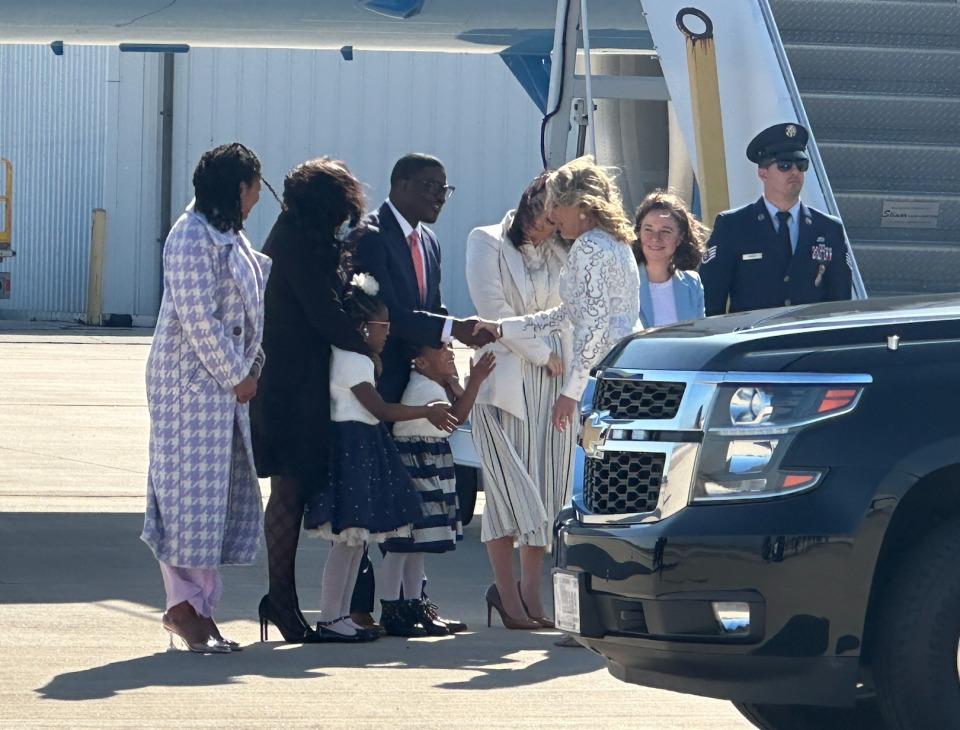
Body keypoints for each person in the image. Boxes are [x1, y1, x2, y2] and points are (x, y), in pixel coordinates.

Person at [474, 156, 642, 628]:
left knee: (583, 506)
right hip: (616, 379)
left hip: (592, 388)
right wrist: (507, 325)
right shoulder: (615, 243)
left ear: (577, 205)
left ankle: (584, 618)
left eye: (556, 207)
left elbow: (587, 332)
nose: (553, 217)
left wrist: (571, 391)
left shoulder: (588, 246)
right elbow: (567, 315)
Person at [348, 152, 496, 630]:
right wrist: (453, 327)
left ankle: (413, 603)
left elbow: (428, 307)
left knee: (419, 512)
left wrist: (451, 346)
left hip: (423, 392)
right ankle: (371, 608)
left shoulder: (428, 241)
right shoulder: (369, 235)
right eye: (431, 186)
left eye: (445, 189)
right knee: (389, 511)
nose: (439, 197)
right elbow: (386, 307)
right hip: (382, 388)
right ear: (400, 184)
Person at [142, 143, 273, 653]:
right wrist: (237, 372)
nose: (259, 197)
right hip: (190, 390)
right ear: (238, 188)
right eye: (256, 188)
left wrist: (251, 365)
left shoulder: (225, 234)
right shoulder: (190, 235)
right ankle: (182, 607)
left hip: (221, 391)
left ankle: (200, 606)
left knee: (212, 499)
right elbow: (198, 317)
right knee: (185, 500)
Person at [250, 157, 372, 644]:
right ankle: (280, 599)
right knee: (289, 490)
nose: (344, 221)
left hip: (293, 377)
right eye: (341, 211)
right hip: (289, 382)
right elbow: (325, 315)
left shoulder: (295, 233)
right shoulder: (299, 244)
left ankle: (283, 598)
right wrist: (369, 349)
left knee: (292, 490)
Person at [302, 274, 459, 641]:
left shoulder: (358, 357)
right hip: (351, 447)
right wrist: (426, 410)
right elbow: (382, 409)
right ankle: (329, 617)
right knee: (347, 542)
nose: (388, 333)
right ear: (362, 327)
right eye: (382, 326)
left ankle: (341, 615)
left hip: (363, 445)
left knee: (357, 543)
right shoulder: (353, 360)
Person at [466, 172, 576, 632]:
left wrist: (568, 372)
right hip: (508, 379)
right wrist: (541, 352)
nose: (546, 225)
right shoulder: (486, 240)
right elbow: (494, 313)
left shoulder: (560, 249)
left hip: (554, 384)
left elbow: (570, 311)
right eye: (543, 213)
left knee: (548, 488)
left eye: (554, 219)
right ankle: (506, 592)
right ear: (529, 199)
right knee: (511, 493)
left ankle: (530, 591)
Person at [378, 344, 496, 637]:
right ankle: (392, 610)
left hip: (427, 466)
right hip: (416, 469)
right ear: (420, 362)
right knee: (400, 546)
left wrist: (454, 381)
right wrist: (475, 382)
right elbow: (454, 421)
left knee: (418, 548)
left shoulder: (430, 382)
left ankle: (414, 605)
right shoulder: (423, 390)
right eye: (441, 351)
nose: (450, 354)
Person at [700, 123, 853, 316]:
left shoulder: (828, 228)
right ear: (762, 173)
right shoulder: (733, 226)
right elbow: (712, 297)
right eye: (784, 165)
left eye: (801, 164)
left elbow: (840, 301)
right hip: (755, 341)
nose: (794, 172)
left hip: (807, 342)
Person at [633, 190, 706, 328]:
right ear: (638, 233)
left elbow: (699, 336)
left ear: (679, 238)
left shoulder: (692, 283)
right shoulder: (625, 282)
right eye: (648, 229)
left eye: (665, 231)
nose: (655, 238)